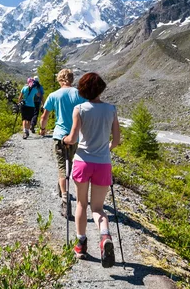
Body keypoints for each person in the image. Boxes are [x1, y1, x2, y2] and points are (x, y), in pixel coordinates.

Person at [62, 72, 120, 268]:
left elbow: (73, 138)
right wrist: (105, 149)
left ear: (83, 90)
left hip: (82, 162)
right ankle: (105, 237)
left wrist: (64, 140)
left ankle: (80, 244)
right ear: (101, 88)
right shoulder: (111, 109)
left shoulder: (79, 109)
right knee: (98, 209)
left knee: (81, 204)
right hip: (103, 163)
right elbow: (117, 140)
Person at [39, 69, 86, 217]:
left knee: (61, 167)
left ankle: (65, 198)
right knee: (70, 162)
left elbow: (45, 116)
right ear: (72, 79)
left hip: (59, 135)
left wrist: (42, 129)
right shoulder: (79, 94)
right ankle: (65, 190)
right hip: (75, 136)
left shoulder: (54, 95)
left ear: (60, 80)